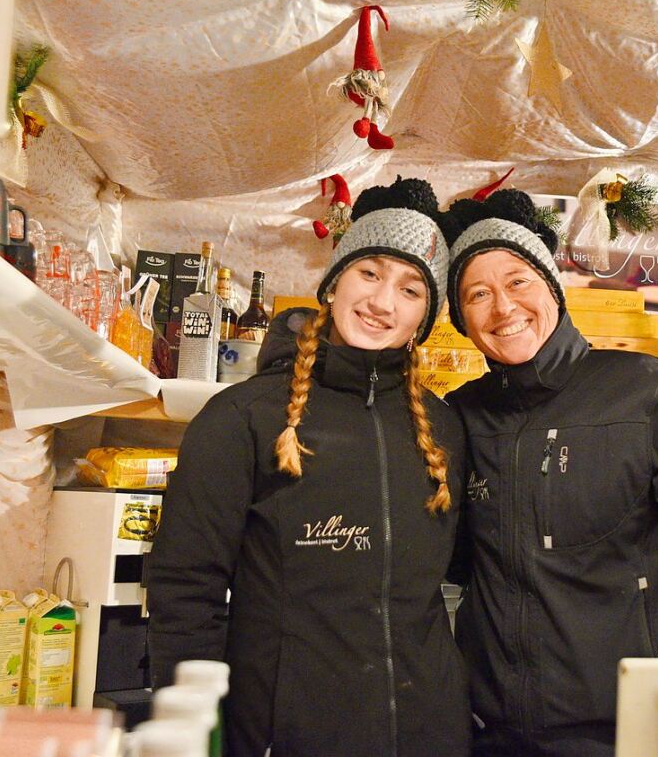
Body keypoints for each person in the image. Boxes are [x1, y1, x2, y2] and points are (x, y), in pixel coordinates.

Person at [442, 189, 658, 756]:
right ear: (461, 318)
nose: (503, 308)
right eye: (478, 293)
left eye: (518, 281)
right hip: (492, 735)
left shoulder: (649, 393)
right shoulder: (461, 416)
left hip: (629, 730)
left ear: (552, 287)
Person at [147, 177, 471, 756]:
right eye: (368, 273)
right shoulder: (242, 418)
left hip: (430, 731)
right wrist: (197, 733)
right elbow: (184, 592)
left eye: (411, 289)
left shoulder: (444, 430)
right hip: (285, 733)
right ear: (334, 281)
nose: (382, 303)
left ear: (426, 316)